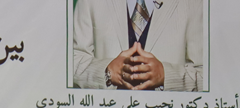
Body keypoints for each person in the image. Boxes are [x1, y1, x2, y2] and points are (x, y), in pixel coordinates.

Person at [72, 0, 204, 91]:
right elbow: (72, 62)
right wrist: (106, 73)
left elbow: (205, 76)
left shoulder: (195, 3)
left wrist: (165, 76)